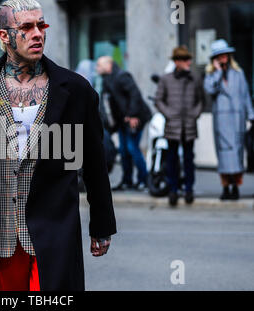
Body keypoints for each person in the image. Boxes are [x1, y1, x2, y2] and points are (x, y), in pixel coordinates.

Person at [0, 0, 116, 291]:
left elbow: (95, 163)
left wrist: (102, 224)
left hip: (54, 230)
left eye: (41, 25)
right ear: (4, 35)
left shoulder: (76, 90)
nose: (38, 34)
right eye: (27, 27)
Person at [204, 39, 254, 200]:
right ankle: (226, 187)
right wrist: (218, 72)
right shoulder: (211, 75)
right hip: (222, 121)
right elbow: (209, 89)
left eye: (225, 54)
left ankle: (235, 187)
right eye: (220, 55)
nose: (223, 57)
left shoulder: (238, 74)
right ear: (215, 58)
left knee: (237, 154)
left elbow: (245, 95)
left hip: (237, 120)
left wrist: (251, 114)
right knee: (224, 155)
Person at [155, 46, 204, 206]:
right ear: (177, 62)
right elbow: (159, 100)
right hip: (173, 125)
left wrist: (194, 114)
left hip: (189, 125)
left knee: (189, 158)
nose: (188, 62)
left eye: (188, 59)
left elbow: (201, 100)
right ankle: (173, 190)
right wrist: (169, 114)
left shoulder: (194, 78)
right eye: (185, 59)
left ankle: (189, 189)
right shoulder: (166, 79)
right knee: (172, 159)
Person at [96, 56, 152, 191]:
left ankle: (144, 180)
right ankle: (127, 181)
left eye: (99, 65)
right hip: (123, 121)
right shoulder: (107, 80)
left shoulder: (122, 76)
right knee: (123, 150)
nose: (97, 68)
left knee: (132, 148)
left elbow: (135, 94)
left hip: (135, 118)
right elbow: (108, 105)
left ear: (108, 65)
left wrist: (132, 115)